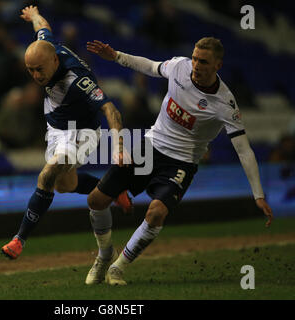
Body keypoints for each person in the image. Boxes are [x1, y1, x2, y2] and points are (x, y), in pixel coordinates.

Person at [84, 37, 274, 285]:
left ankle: (118, 268)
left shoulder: (225, 104)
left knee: (156, 213)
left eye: (203, 61)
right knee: (96, 200)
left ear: (218, 65)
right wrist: (116, 56)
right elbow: (150, 67)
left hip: (181, 162)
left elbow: (244, 150)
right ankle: (104, 255)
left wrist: (258, 194)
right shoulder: (180, 67)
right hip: (151, 147)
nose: (196, 64)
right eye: (195, 58)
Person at [1, 5, 132, 260]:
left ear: (55, 61)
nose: (36, 76)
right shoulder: (46, 49)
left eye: (40, 69)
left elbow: (110, 109)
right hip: (58, 126)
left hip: (81, 131)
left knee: (48, 173)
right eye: (31, 70)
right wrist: (34, 15)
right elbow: (43, 28)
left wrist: (119, 146)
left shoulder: (77, 80)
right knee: (65, 184)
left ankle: (19, 240)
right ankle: (113, 189)